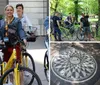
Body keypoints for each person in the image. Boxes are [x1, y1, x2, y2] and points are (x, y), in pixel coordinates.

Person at [0, 5, 26, 85]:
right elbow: (0, 33)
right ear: (5, 11)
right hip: (6, 45)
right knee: (9, 67)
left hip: (15, 44)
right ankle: (11, 82)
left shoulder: (17, 21)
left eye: (11, 10)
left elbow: (20, 30)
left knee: (18, 66)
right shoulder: (2, 22)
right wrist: (0, 40)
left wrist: (23, 38)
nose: (9, 11)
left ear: (13, 11)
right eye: (7, 10)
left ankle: (20, 83)